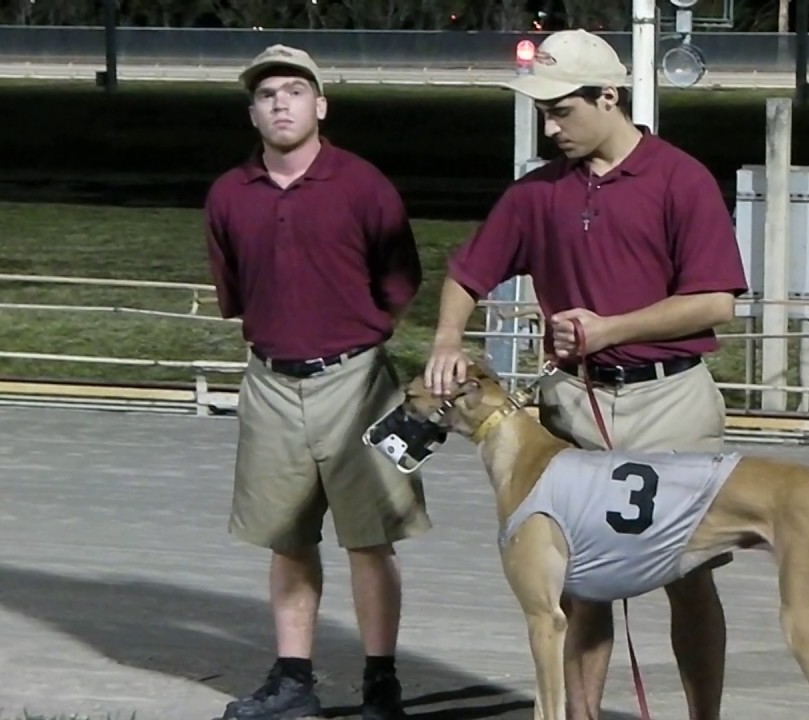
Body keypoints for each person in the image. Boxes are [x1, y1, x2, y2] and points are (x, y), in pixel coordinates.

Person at [422, 29, 748, 720]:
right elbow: (466, 275)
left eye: (562, 109)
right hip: (575, 403)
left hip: (672, 401)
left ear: (610, 96)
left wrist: (611, 328)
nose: (550, 126)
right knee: (582, 583)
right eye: (543, 110)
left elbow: (717, 301)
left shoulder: (679, 178)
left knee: (687, 579)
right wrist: (448, 337)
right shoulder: (536, 194)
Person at [204, 44, 431, 720]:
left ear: (320, 105)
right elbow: (238, 294)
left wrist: (353, 338)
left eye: (295, 91)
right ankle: (294, 679)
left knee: (370, 540)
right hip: (271, 382)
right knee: (288, 539)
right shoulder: (227, 194)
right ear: (252, 111)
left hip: (358, 381)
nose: (281, 103)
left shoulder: (364, 185)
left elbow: (400, 280)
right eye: (268, 93)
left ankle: (380, 683)